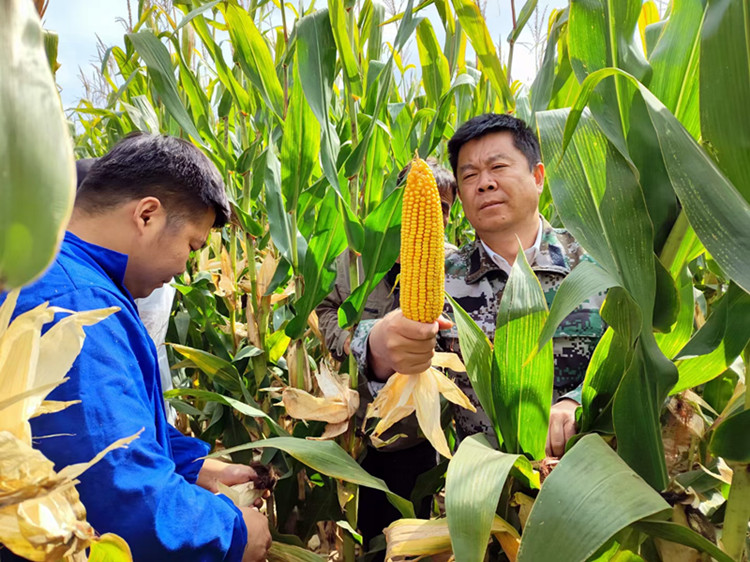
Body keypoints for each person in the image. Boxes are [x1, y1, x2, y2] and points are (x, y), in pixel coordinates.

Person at [2, 134, 271, 561]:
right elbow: (115, 494)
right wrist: (233, 533)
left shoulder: (54, 274)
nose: (186, 268)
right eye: (192, 246)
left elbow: (111, 431)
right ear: (147, 215)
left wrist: (194, 465)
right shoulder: (75, 308)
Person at [351, 113, 606, 458]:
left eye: (498, 167)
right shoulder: (442, 279)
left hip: (592, 483)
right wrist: (378, 350)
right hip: (488, 494)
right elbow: (406, 419)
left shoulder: (597, 264)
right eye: (469, 175)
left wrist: (577, 401)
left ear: (538, 176)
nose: (484, 183)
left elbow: (641, 361)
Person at [316, 159, 457, 557]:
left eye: (444, 209)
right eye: (427, 204)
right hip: (358, 425)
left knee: (411, 525)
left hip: (418, 426)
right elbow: (323, 309)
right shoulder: (355, 258)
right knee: (364, 524)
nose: (437, 217)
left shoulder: (455, 264)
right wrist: (353, 341)